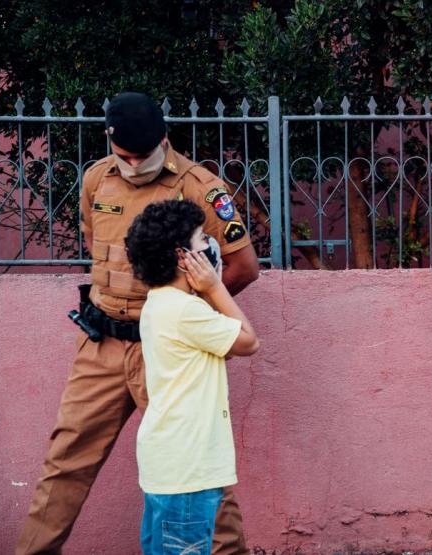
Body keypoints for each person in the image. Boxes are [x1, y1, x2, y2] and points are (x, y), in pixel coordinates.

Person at [16, 92, 260, 555]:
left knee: (198, 472)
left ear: (164, 140)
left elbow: (244, 267)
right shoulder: (96, 179)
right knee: (65, 462)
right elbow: (96, 246)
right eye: (123, 156)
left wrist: (187, 315)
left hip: (165, 352)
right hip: (102, 342)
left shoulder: (200, 187)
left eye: (142, 156)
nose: (132, 165)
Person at [125, 200, 259, 555]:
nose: (210, 246)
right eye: (202, 239)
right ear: (182, 257)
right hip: (189, 467)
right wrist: (215, 287)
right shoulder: (186, 311)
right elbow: (249, 341)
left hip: (168, 464)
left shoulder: (158, 303)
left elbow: (225, 346)